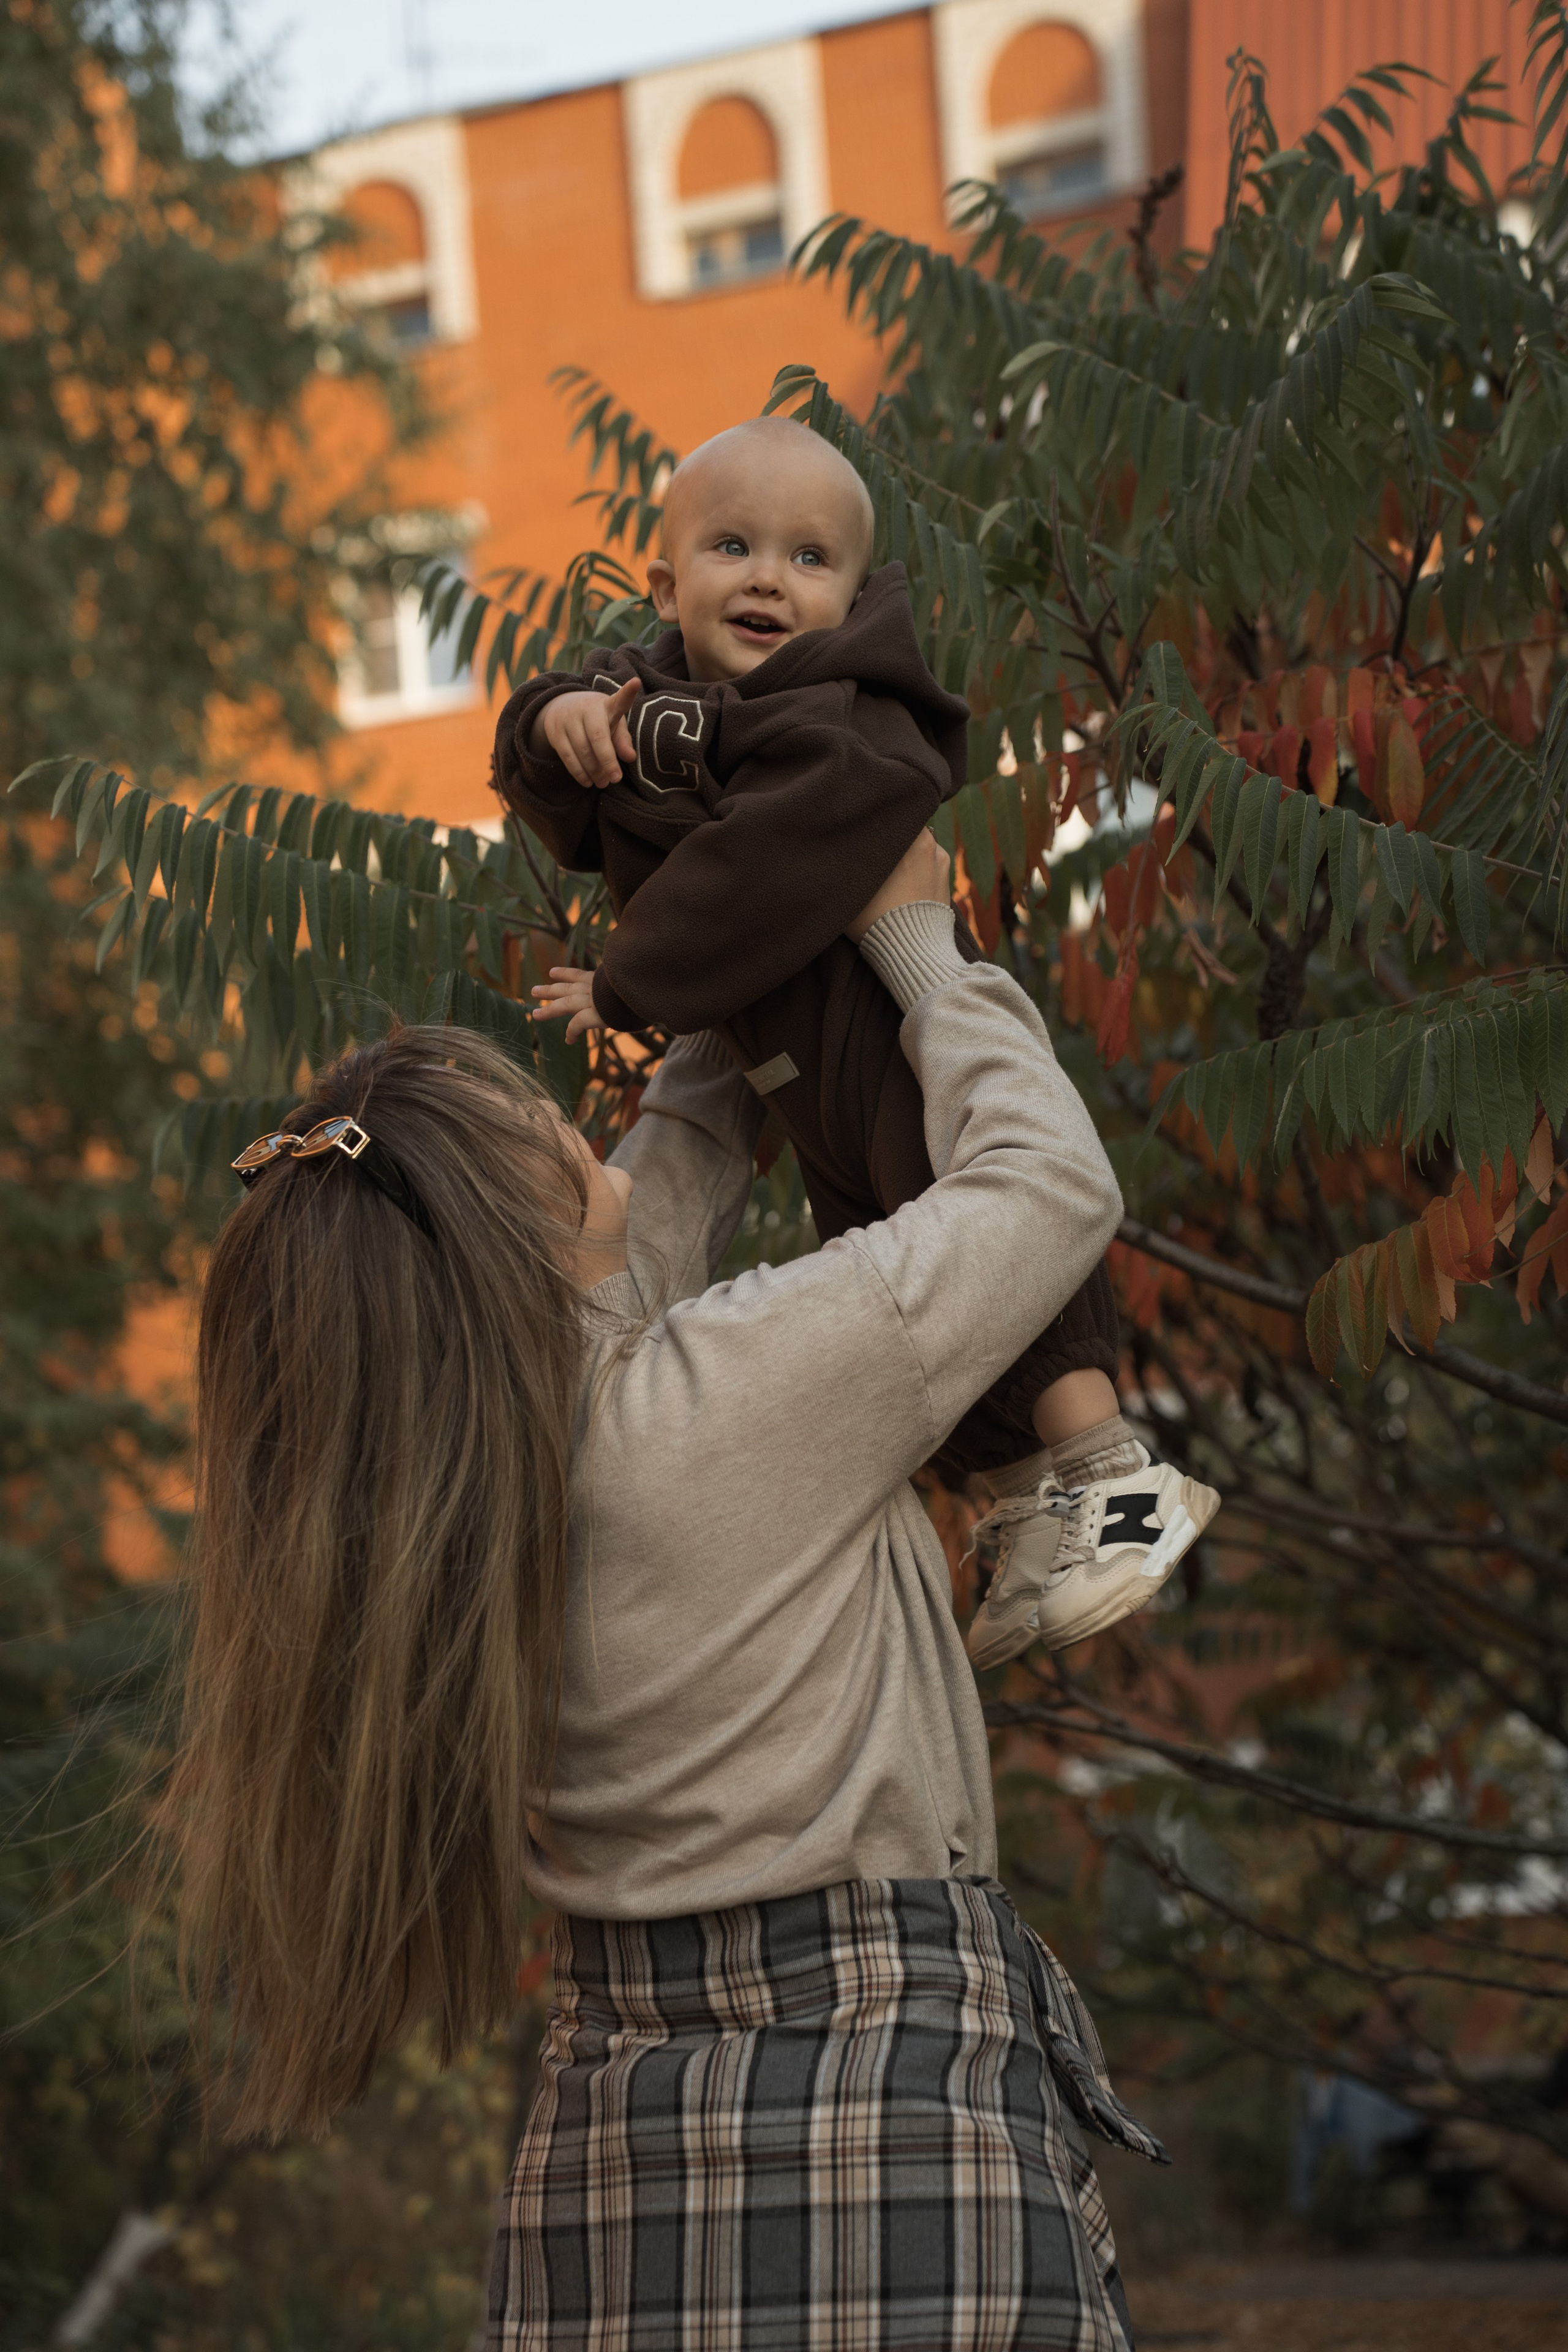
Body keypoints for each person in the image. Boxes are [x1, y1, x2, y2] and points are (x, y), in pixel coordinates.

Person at [165, 827, 1167, 2350]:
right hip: (879, 2087)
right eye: (539, 1126)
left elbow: (666, 1188)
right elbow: (1045, 1184)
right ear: (512, 1224)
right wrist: (913, 947)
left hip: (614, 2130)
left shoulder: (461, 1480)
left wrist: (732, 984)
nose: (578, 1126)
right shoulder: (721, 1402)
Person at [494, 415, 1217, 1662]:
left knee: (978, 1220)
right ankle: (1023, 1504)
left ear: (856, 592)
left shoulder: (849, 717)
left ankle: (1115, 1476)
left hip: (885, 1021)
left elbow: (762, 869)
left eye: (808, 558)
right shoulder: (660, 692)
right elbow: (559, 783)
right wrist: (556, 715)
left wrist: (627, 984)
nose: (769, 577)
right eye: (732, 546)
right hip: (789, 1056)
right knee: (907, 1267)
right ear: (665, 587)